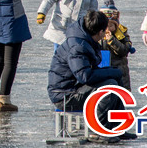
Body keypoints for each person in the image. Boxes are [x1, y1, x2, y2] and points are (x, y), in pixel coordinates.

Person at [48, 11, 132, 143]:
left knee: (114, 79)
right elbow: (84, 76)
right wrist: (112, 72)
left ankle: (116, 126)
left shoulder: (84, 38)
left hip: (74, 87)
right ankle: (98, 131)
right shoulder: (78, 46)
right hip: (64, 96)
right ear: (100, 32)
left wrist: (113, 72)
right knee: (109, 87)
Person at [98, 0, 133, 90]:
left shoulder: (121, 34)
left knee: (119, 95)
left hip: (119, 71)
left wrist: (112, 40)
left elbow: (124, 51)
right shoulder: (97, 35)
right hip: (103, 71)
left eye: (111, 26)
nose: (108, 29)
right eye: (106, 26)